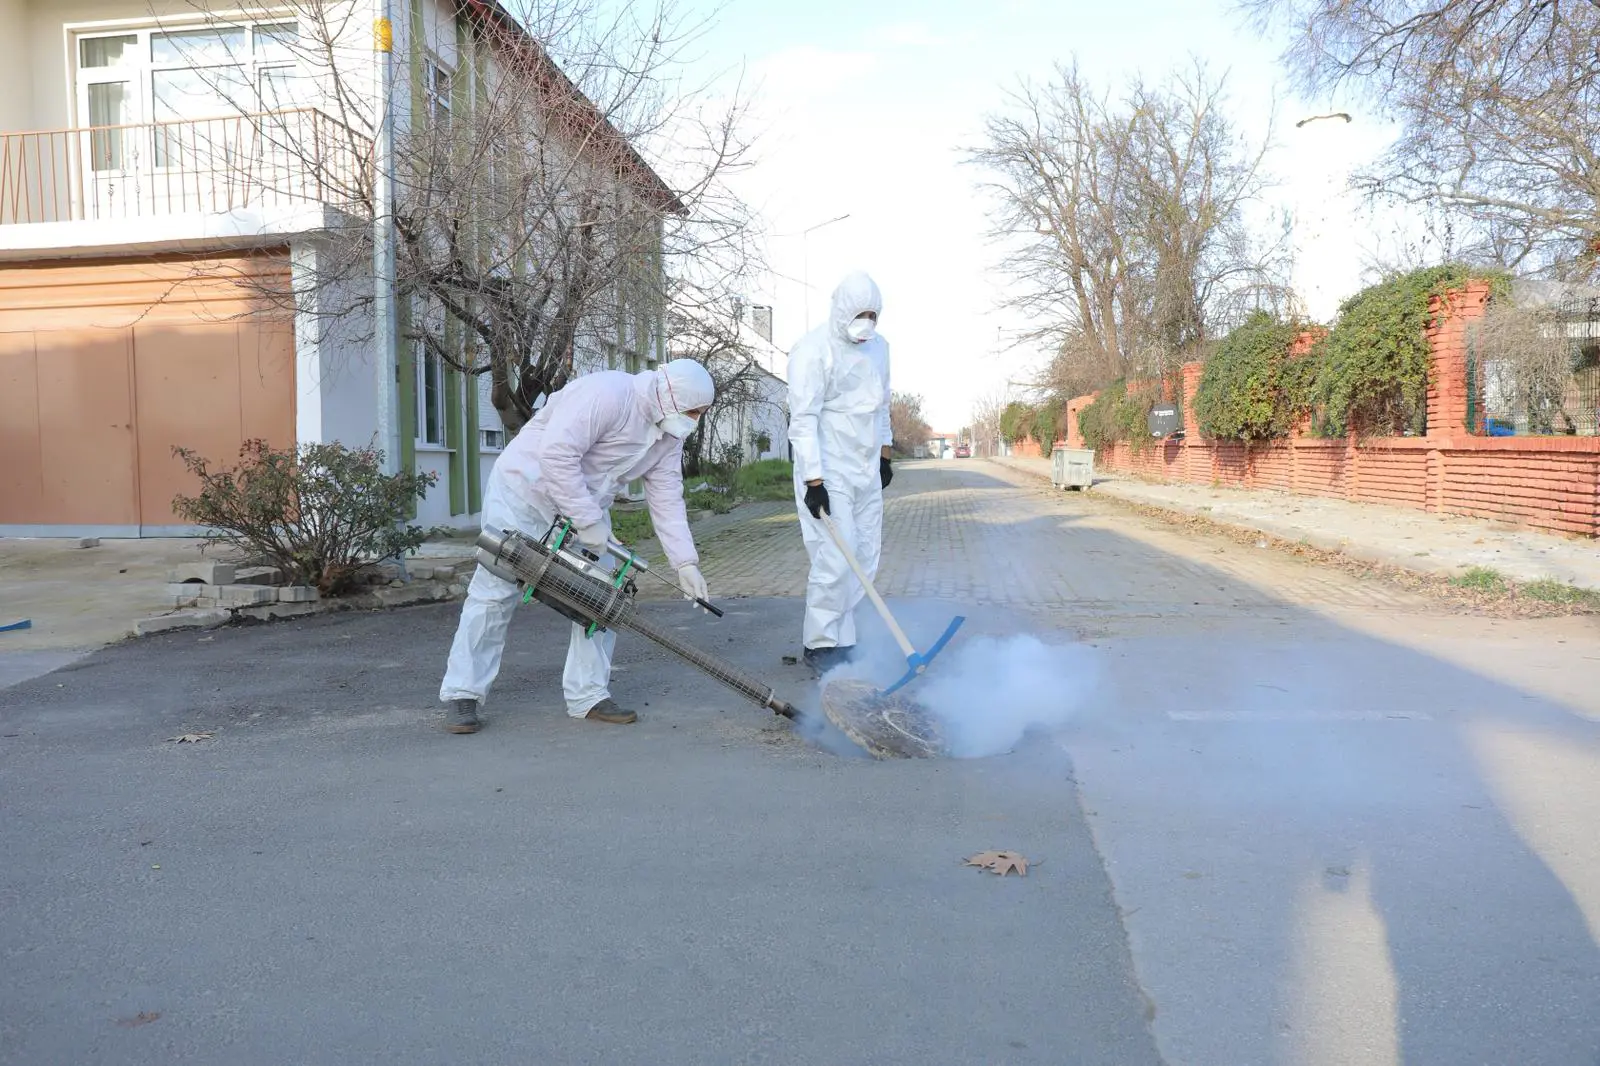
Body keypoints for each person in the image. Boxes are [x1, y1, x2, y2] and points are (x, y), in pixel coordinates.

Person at [437, 359, 715, 734]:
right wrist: (586, 519)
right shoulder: (608, 394)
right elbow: (557, 455)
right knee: (495, 591)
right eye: (693, 411)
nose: (695, 420)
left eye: (701, 413)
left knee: (603, 596)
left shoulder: (669, 435)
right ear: (669, 395)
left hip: (584, 509)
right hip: (524, 494)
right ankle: (462, 693)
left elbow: (666, 496)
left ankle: (589, 695)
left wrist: (685, 563)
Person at [785, 270, 893, 675]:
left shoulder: (880, 348)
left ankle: (842, 637)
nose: (866, 322)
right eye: (860, 314)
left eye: (872, 314)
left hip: (865, 467)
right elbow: (803, 420)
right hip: (829, 469)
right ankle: (819, 642)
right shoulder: (812, 349)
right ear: (843, 310)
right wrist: (814, 481)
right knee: (835, 556)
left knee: (864, 556)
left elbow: (883, 404)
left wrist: (884, 455)